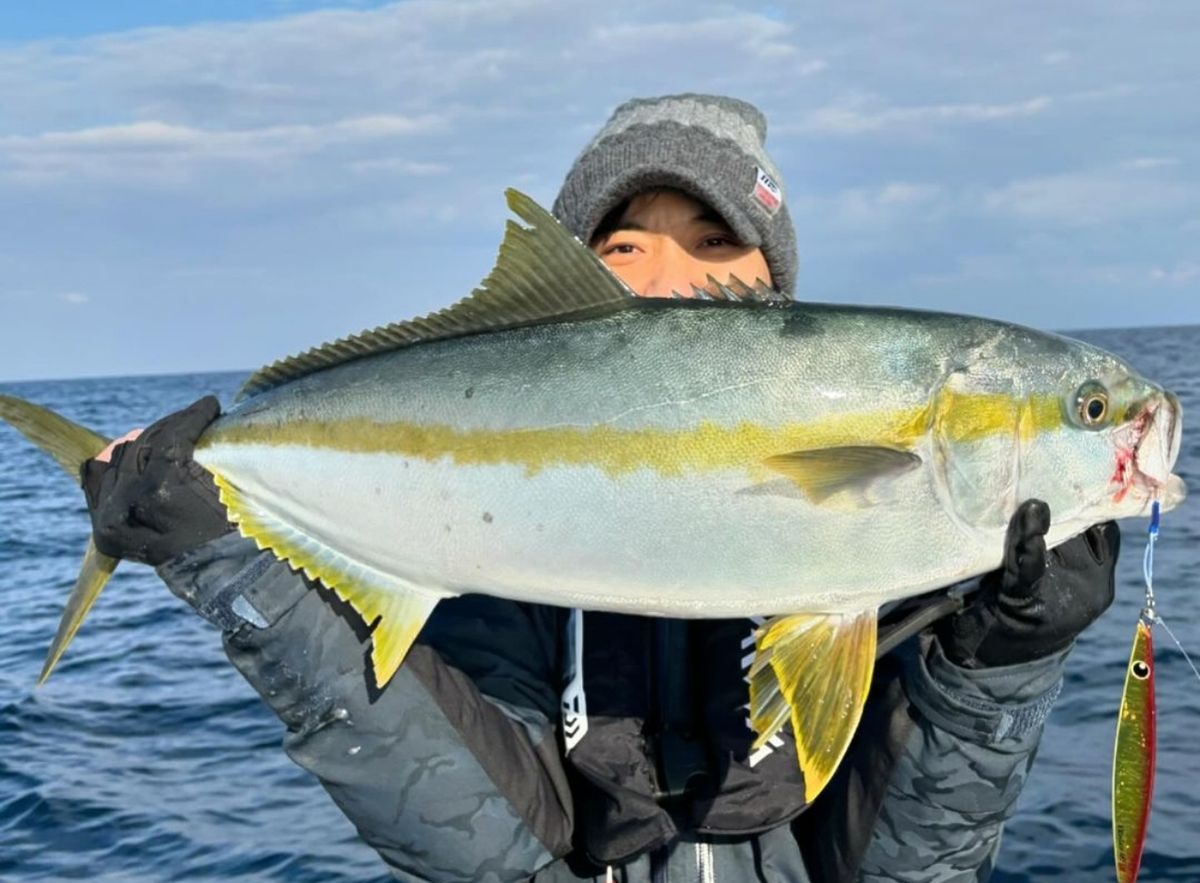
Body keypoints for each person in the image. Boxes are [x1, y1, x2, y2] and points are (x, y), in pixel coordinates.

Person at [82, 94, 1120, 882]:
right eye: (624, 245)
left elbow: (908, 859)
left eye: (715, 243)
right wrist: (224, 558)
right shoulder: (490, 564)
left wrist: (1001, 665)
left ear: (775, 286)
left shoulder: (924, 572)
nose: (670, 281)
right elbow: (476, 841)